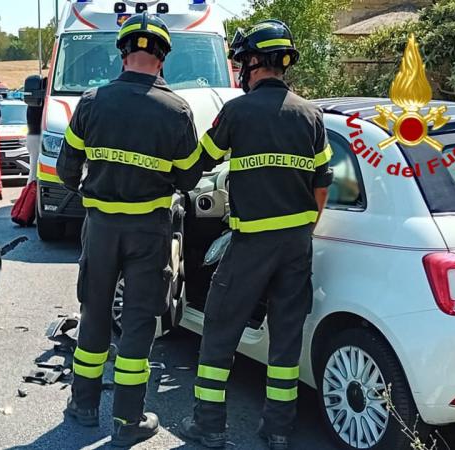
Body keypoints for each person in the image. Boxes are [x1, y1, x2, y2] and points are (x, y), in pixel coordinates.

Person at [179, 20, 333, 450]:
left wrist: (168, 177)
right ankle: (278, 429)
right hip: (297, 244)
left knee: (219, 329)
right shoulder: (311, 114)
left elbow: (200, 162)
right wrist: (304, 228)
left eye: (243, 61)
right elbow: (323, 182)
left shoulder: (237, 112)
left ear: (253, 61)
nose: (241, 71)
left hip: (250, 247)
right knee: (285, 340)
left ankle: (209, 425)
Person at [57, 12, 204, 448]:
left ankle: (82, 406)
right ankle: (128, 418)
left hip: (100, 228)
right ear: (163, 58)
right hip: (148, 231)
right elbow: (188, 179)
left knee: (95, 312)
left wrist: (92, 188)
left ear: (122, 53)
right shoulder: (176, 110)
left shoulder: (91, 101)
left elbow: (66, 169)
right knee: (139, 321)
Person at [26, 77, 47, 183]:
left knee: (33, 167)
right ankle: (31, 191)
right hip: (37, 136)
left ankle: (30, 188)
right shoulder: (40, 102)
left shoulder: (33, 101)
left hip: (33, 136)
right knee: (34, 168)